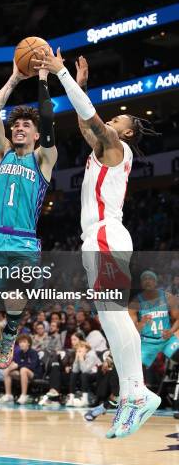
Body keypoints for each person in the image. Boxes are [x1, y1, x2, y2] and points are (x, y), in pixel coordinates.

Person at [38, 49, 161, 438]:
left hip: (107, 232)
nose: (109, 122)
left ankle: (137, 393)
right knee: (110, 316)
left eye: (116, 121)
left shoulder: (117, 148)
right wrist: (81, 85)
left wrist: (61, 75)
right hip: (95, 237)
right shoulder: (100, 150)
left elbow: (92, 119)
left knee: (114, 313)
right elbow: (85, 123)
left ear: (124, 133)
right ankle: (132, 395)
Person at [0, 59, 57, 387]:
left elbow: (48, 120)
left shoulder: (43, 159)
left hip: (23, 240)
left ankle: (11, 333)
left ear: (35, 133)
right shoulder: (1, 153)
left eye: (25, 126)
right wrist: (16, 78)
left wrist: (43, 79)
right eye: (16, 124)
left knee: (16, 297)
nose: (18, 128)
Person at [129, 270, 179, 415]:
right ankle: (138, 402)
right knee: (135, 371)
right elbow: (133, 330)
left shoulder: (168, 297)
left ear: (156, 281)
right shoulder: (135, 303)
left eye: (151, 278)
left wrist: (171, 331)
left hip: (166, 339)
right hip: (147, 342)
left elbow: (178, 319)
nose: (148, 281)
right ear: (141, 283)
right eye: (144, 279)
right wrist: (141, 324)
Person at [0, 334, 41, 404]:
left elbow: (32, 366)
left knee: (23, 370)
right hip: (22, 374)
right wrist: (11, 366)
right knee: (7, 370)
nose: (22, 344)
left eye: (24, 342)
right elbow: (15, 363)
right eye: (20, 342)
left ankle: (24, 395)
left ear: (28, 343)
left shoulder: (33, 352)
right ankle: (8, 395)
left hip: (34, 374)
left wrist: (18, 366)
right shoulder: (19, 353)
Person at [67, 340, 101, 407]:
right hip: (86, 374)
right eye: (78, 348)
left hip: (97, 374)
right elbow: (75, 371)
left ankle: (85, 399)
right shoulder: (81, 355)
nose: (79, 350)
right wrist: (76, 359)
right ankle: (71, 398)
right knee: (73, 374)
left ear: (87, 348)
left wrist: (81, 358)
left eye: (81, 347)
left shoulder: (92, 355)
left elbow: (85, 370)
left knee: (84, 375)